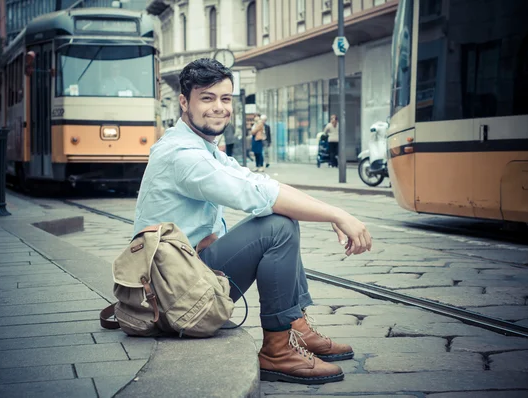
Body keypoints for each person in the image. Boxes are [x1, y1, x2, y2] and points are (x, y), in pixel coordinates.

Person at [133, 58, 372, 385]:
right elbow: (257, 195)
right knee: (277, 227)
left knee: (281, 215)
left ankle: (295, 328)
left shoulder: (203, 147)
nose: (219, 107)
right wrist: (337, 215)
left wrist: (329, 208)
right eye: (207, 98)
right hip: (176, 298)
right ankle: (277, 349)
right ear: (184, 102)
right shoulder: (183, 155)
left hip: (184, 281)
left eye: (226, 98)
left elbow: (259, 182)